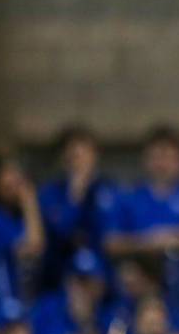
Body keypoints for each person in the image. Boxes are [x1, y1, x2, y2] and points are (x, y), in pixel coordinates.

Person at [105, 127, 179, 318]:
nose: (162, 164)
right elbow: (111, 242)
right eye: (156, 157)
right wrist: (147, 243)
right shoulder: (131, 197)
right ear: (145, 160)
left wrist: (173, 237)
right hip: (136, 297)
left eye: (168, 157)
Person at [37, 126, 118, 294]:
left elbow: (110, 235)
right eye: (74, 156)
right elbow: (62, 231)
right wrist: (75, 194)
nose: (80, 162)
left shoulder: (109, 189)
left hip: (102, 278)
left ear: (95, 155)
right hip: (59, 276)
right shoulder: (51, 191)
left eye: (84, 154)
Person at [0, 157, 45, 324]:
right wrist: (29, 201)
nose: (15, 182)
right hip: (4, 313)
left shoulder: (17, 220)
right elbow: (33, 247)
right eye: (7, 175)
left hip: (26, 308)